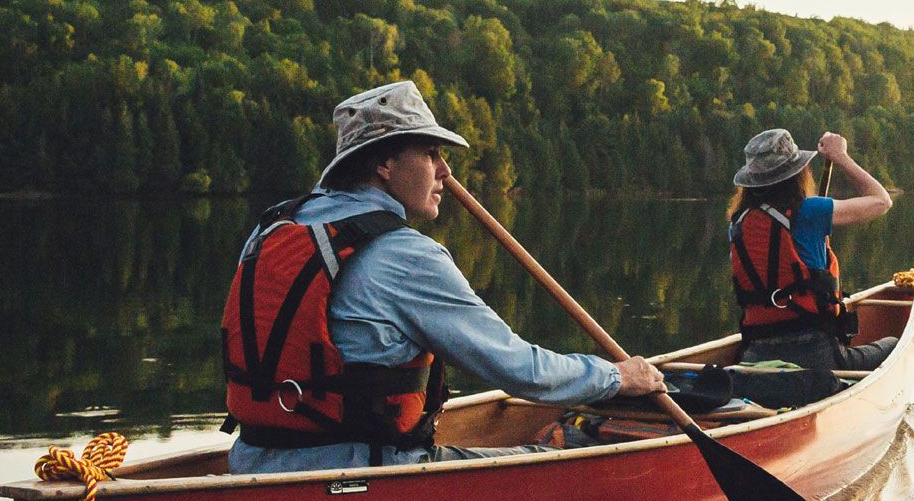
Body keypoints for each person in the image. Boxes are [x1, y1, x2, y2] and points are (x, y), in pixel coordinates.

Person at [221, 81, 663, 473]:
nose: (445, 172)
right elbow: (520, 370)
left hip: (251, 463)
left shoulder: (272, 230)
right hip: (362, 472)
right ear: (385, 165)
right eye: (431, 154)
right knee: (568, 453)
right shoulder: (404, 254)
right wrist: (618, 377)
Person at [725, 127, 898, 373]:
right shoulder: (810, 211)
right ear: (797, 173)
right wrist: (841, 158)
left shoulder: (738, 223)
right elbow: (882, 201)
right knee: (894, 344)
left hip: (754, 352)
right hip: (816, 356)